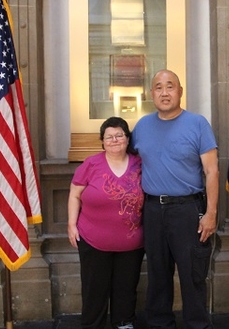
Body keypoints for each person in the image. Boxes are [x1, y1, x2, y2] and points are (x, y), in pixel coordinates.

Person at [132, 69, 219, 329]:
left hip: (188, 210)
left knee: (192, 276)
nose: (164, 92)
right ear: (151, 94)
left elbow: (212, 171)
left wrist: (211, 213)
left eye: (170, 86)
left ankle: (197, 326)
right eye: (158, 87)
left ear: (180, 92)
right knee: (158, 275)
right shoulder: (142, 126)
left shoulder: (198, 124)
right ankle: (160, 325)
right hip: (152, 210)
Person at [67, 116, 144, 329]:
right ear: (102, 141)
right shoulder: (90, 164)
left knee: (126, 289)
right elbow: (74, 195)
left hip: (132, 244)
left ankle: (124, 323)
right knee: (94, 290)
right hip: (92, 241)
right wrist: (71, 225)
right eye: (109, 137)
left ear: (128, 139)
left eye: (120, 135)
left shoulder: (140, 164)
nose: (114, 140)